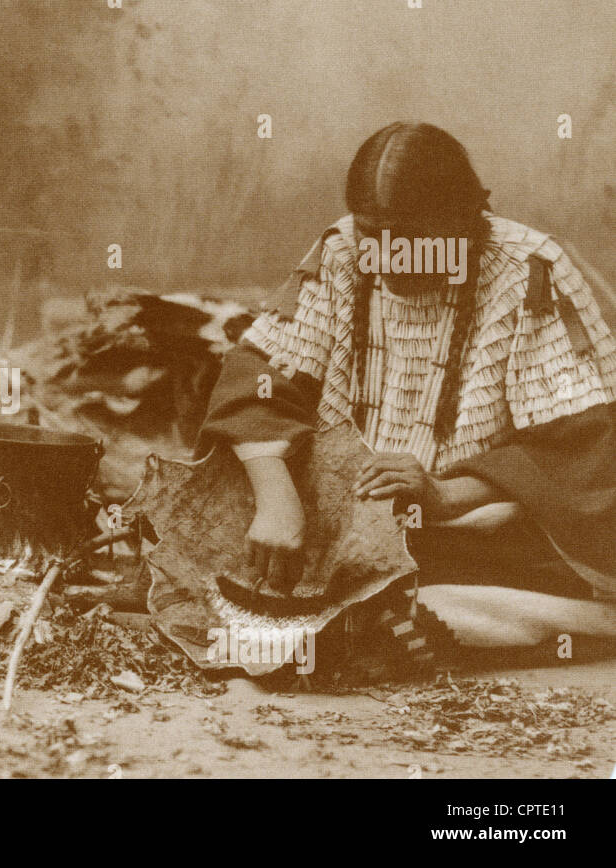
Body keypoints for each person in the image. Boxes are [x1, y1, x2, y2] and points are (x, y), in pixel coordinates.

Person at [199, 122, 616, 653]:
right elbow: (257, 381)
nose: (392, 255)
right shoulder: (342, 249)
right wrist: (277, 499)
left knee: (520, 583)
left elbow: (577, 450)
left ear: (466, 221)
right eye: (375, 234)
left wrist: (442, 495)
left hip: (474, 526)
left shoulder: (531, 269)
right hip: (336, 514)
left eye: (417, 238)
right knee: (213, 533)